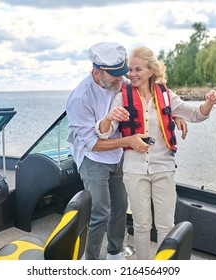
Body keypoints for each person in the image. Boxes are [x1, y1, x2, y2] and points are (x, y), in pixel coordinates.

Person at [97, 46, 216, 259]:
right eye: (130, 70)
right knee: (141, 224)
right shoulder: (122, 97)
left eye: (138, 69)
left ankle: (166, 267)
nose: (132, 74)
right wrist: (108, 118)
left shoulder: (166, 95)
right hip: (134, 169)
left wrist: (209, 103)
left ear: (151, 71)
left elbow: (195, 114)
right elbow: (104, 133)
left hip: (163, 167)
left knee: (165, 225)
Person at [66, 42, 149, 260]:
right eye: (114, 76)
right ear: (96, 71)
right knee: (99, 212)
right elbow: (93, 144)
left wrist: (176, 115)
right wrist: (129, 141)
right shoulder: (79, 98)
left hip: (118, 155)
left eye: (122, 74)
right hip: (92, 157)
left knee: (121, 206)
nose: (121, 80)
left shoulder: (120, 85)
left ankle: (114, 252)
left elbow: (153, 99)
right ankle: (92, 260)